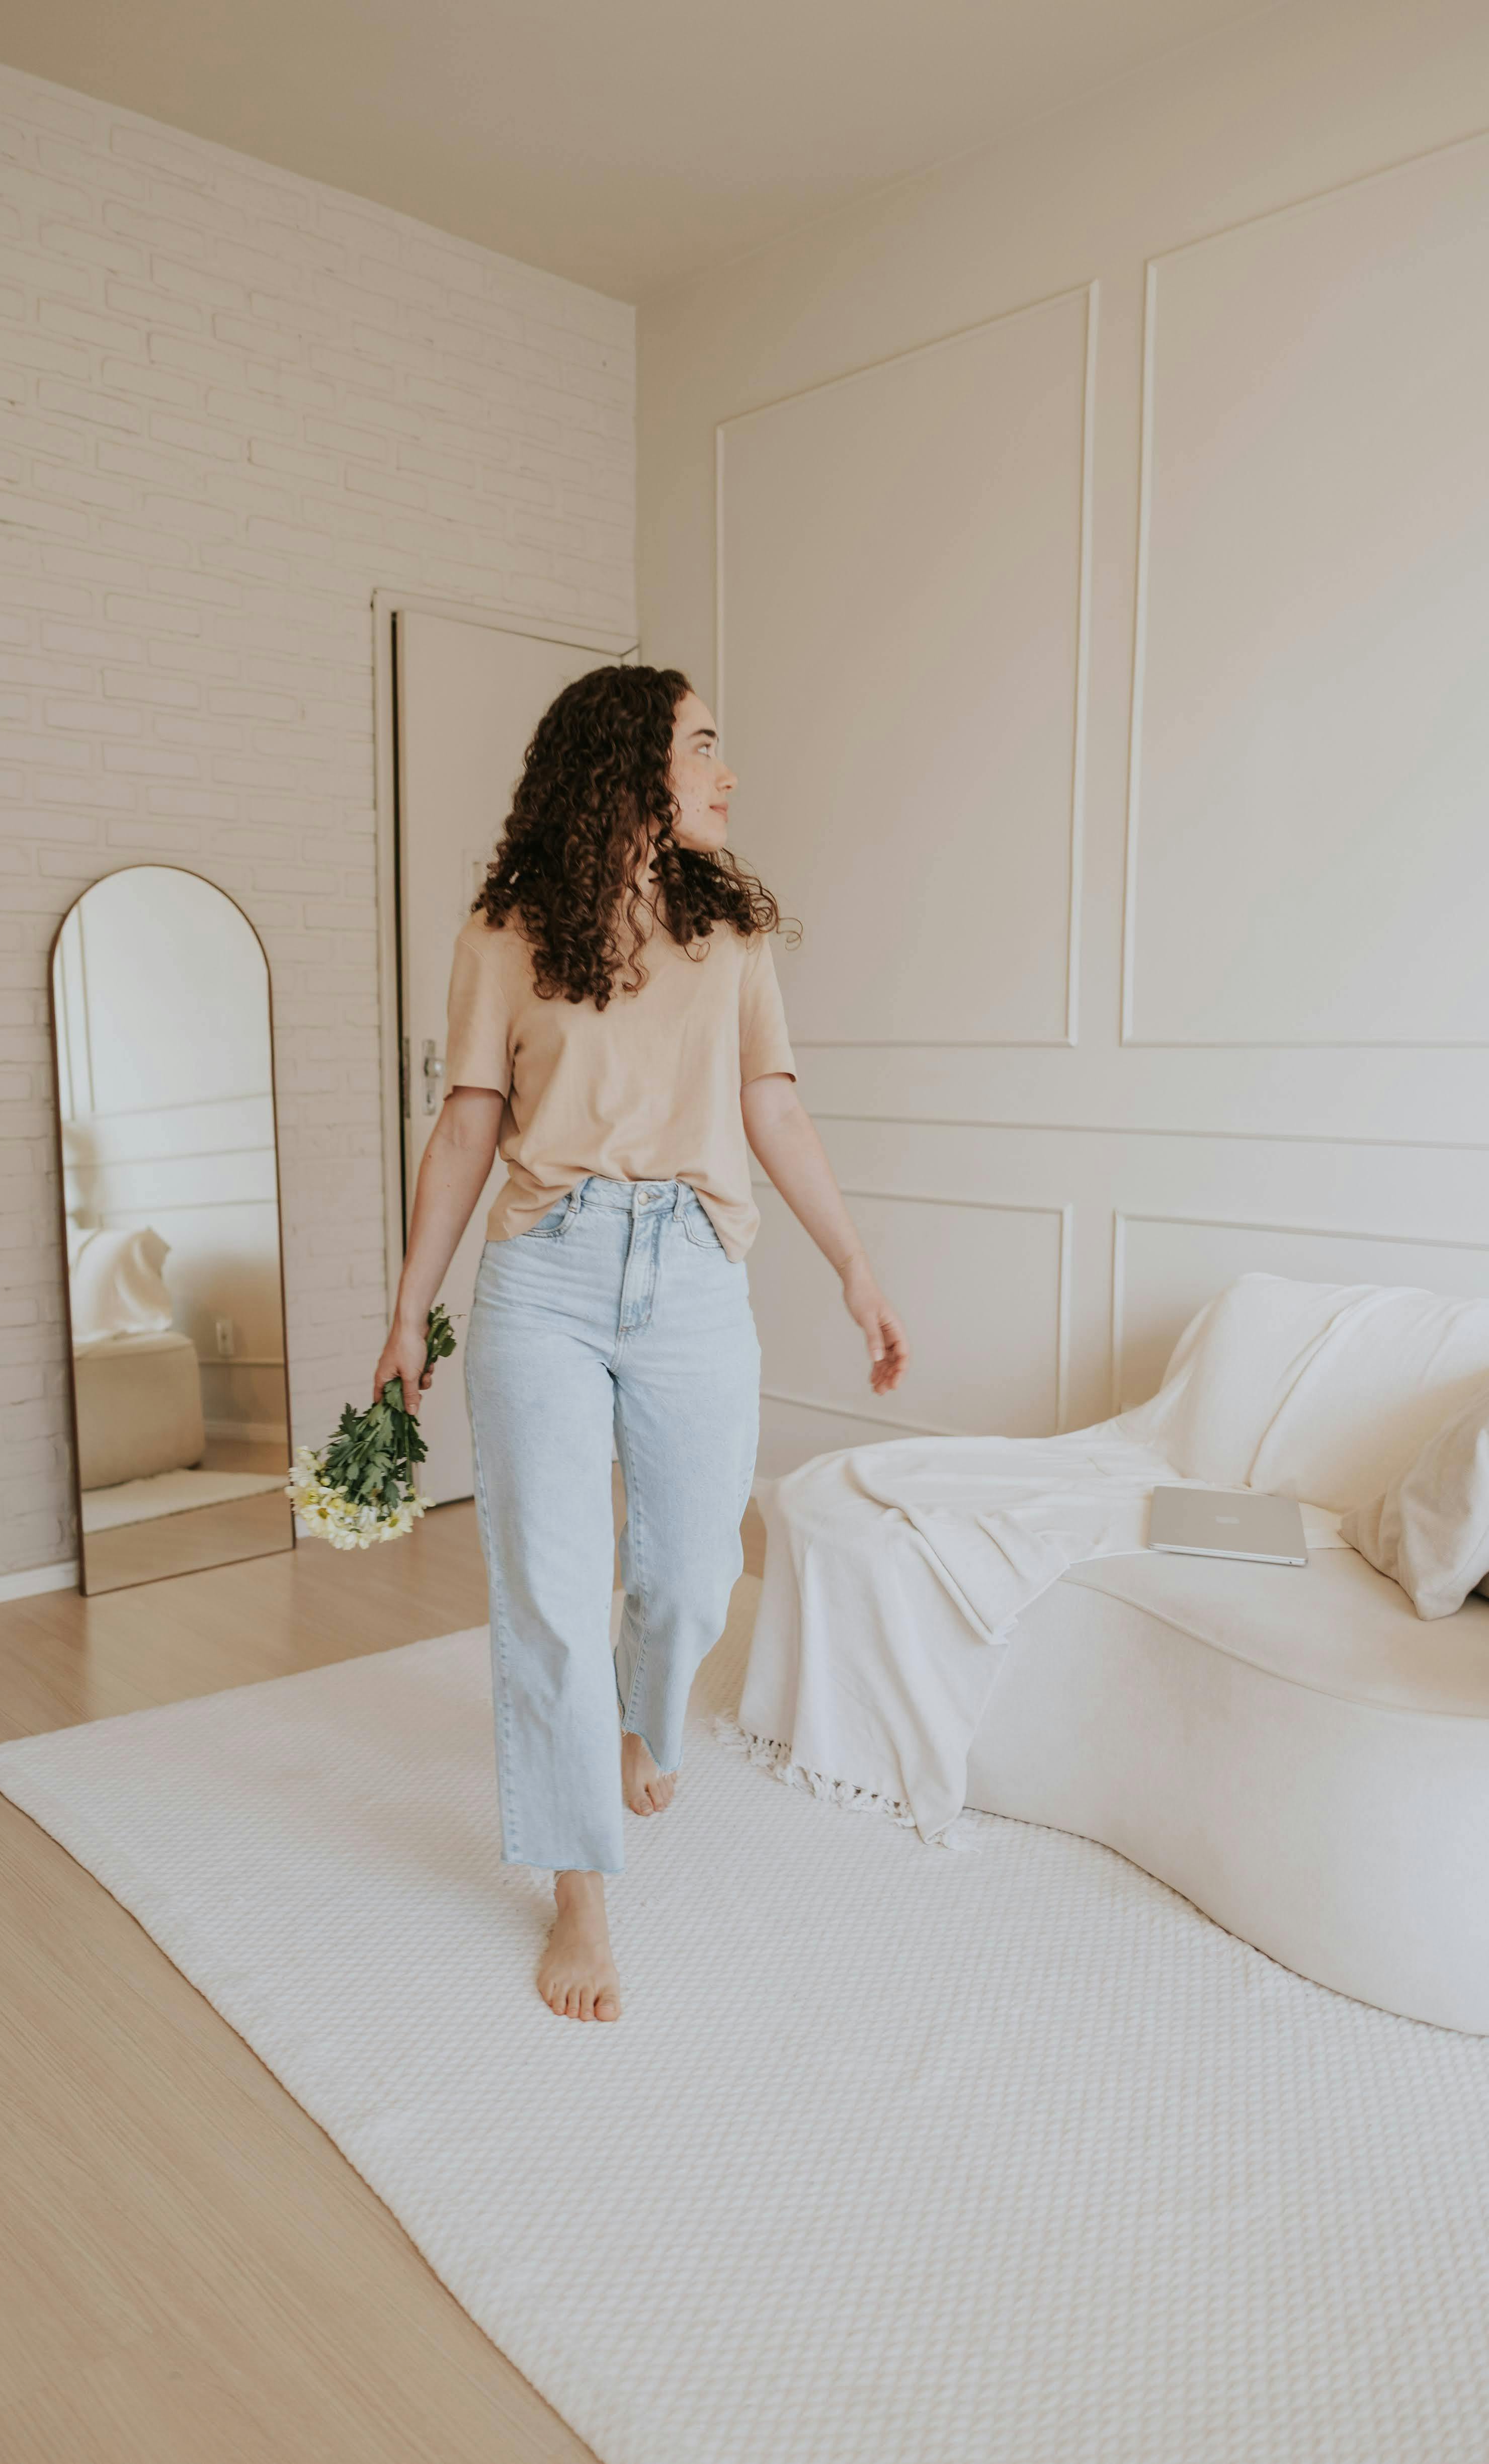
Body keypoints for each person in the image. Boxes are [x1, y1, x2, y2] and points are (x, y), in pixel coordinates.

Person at [373, 666, 908, 2022]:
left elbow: (772, 1105)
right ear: (628, 768)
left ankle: (636, 1726)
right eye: (705, 748)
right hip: (541, 1278)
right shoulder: (504, 929)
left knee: (688, 1579)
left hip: (687, 1272)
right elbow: (464, 1128)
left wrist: (854, 1266)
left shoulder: (726, 931)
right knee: (551, 1598)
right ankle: (579, 1895)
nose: (726, 775)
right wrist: (404, 1306)